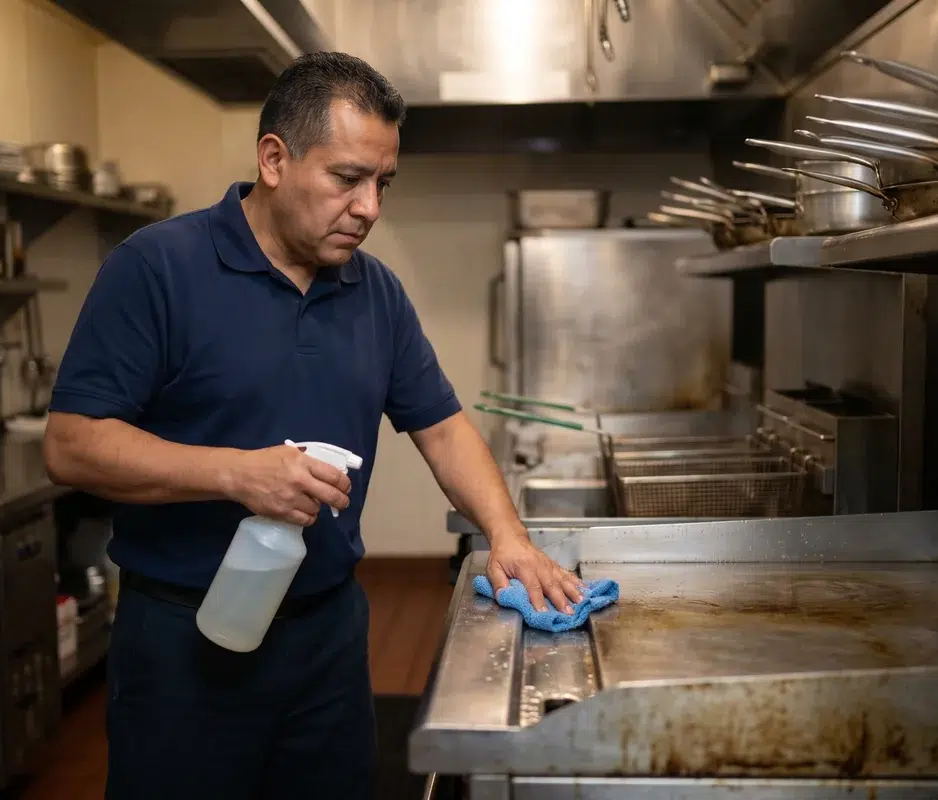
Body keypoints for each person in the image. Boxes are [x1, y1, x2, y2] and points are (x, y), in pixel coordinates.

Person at [42, 51, 584, 799]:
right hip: (184, 645)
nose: (369, 208)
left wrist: (507, 536)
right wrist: (236, 472)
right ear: (274, 159)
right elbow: (72, 444)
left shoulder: (375, 291)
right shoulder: (158, 268)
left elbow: (442, 425)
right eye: (347, 178)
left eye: (383, 183)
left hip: (326, 638)